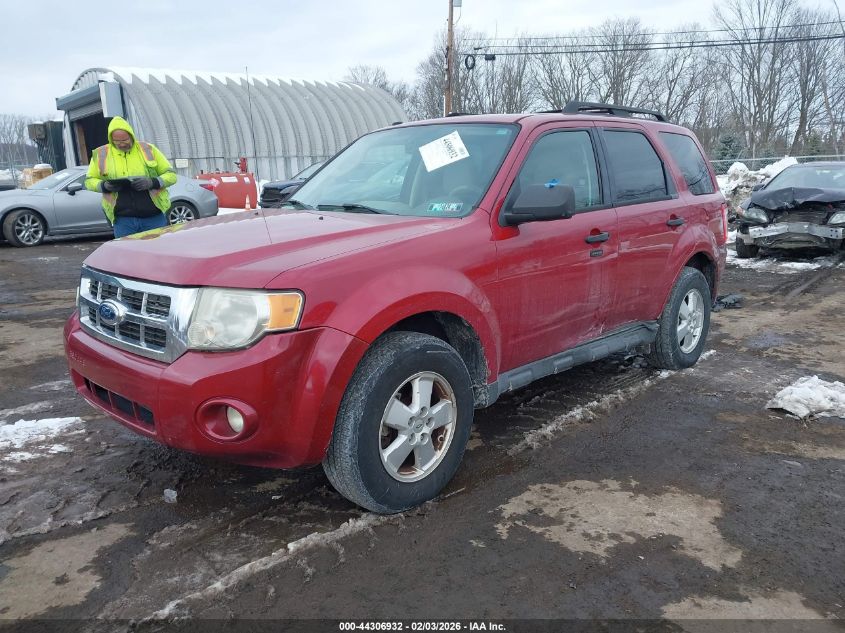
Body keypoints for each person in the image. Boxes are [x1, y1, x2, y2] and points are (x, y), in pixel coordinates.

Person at [85, 117, 177, 238]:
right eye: (117, 141)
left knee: (157, 249)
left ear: (131, 135)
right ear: (111, 139)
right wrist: (104, 186)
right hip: (123, 221)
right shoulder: (101, 154)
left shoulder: (148, 149)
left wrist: (152, 182)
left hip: (153, 217)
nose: (122, 144)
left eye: (125, 140)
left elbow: (172, 175)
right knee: (127, 250)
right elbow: (89, 181)